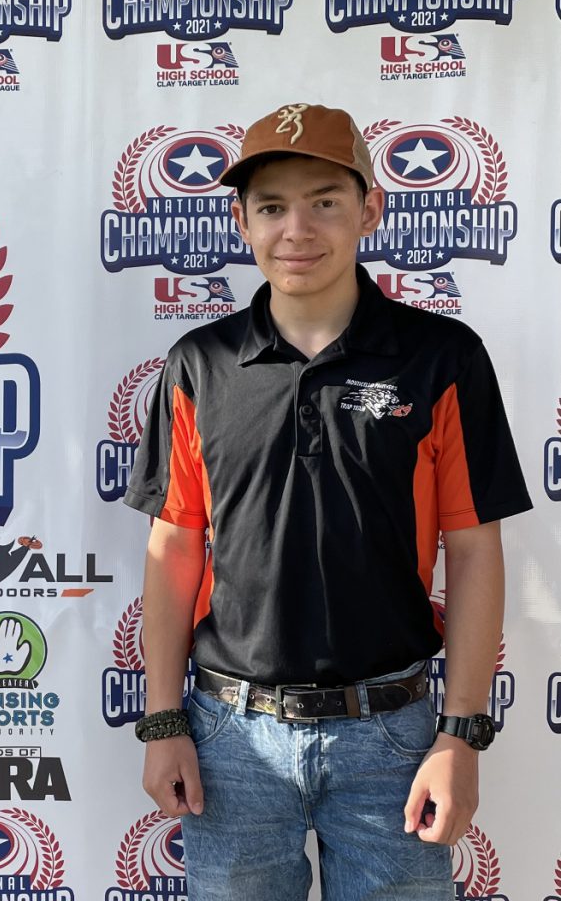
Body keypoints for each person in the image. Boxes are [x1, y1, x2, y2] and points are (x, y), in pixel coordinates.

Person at [123, 102, 531, 901]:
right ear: (241, 222)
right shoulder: (199, 365)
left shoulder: (441, 357)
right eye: (271, 207)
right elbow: (173, 546)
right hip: (229, 737)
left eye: (324, 201)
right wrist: (164, 721)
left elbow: (474, 549)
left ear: (369, 209)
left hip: (392, 737)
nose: (296, 229)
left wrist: (461, 735)